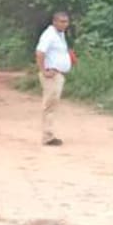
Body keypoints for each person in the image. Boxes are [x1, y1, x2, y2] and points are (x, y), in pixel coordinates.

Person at [35, 11, 73, 146]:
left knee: (53, 104)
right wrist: (43, 70)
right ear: (54, 22)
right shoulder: (49, 34)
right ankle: (47, 136)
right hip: (52, 74)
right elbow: (40, 52)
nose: (65, 24)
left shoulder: (60, 35)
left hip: (58, 74)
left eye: (66, 22)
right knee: (49, 105)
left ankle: (49, 134)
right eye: (61, 21)